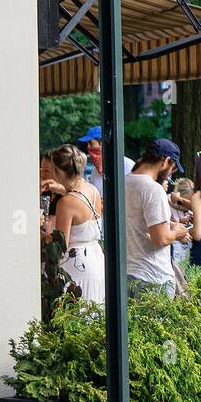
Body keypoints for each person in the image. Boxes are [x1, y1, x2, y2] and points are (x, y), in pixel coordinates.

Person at [124, 138, 191, 298]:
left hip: (128, 271)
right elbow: (160, 238)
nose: (169, 175)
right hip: (153, 277)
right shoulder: (153, 189)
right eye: (172, 169)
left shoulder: (124, 182)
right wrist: (177, 232)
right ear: (166, 161)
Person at [43, 144, 105, 304]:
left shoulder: (65, 203)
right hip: (95, 260)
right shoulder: (92, 190)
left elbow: (60, 246)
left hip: (76, 268)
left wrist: (37, 233)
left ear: (58, 171)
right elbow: (80, 207)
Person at [77, 125, 133, 196]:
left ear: (103, 143)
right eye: (87, 144)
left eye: (91, 143)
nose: (88, 147)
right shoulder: (95, 172)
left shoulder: (126, 165)